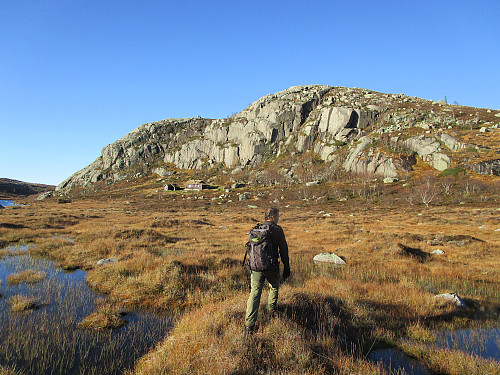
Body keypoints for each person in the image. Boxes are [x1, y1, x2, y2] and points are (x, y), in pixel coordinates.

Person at [245, 207, 290, 333]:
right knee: (274, 286)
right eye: (278, 215)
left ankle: (249, 325)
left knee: (254, 293)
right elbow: (284, 251)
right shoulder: (277, 230)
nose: (279, 218)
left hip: (255, 267)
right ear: (273, 217)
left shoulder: (256, 228)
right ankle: (272, 312)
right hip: (271, 266)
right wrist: (287, 268)